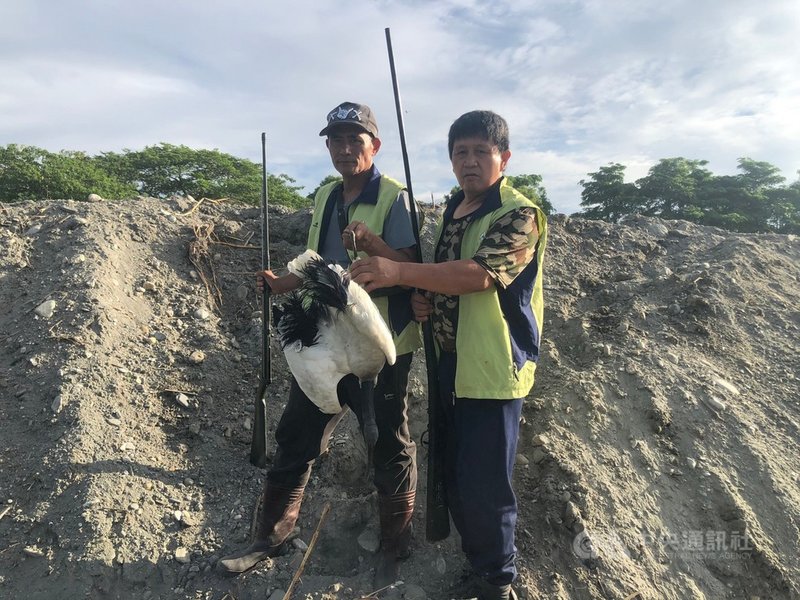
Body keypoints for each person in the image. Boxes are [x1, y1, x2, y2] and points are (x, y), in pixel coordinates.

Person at [218, 101, 421, 587]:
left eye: (357, 139)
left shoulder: (396, 197)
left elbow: (410, 268)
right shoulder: (327, 195)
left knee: (389, 439)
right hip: (324, 342)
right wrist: (281, 283)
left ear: (375, 145)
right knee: (297, 434)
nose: (346, 148)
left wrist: (372, 244)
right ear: (328, 146)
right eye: (337, 140)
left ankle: (395, 543)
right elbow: (319, 267)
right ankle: (271, 536)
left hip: (381, 342)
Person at [350, 110, 548, 600]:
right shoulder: (450, 214)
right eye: (461, 152)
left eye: (482, 151)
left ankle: (497, 582)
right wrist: (421, 295)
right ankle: (479, 567)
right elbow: (437, 276)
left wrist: (402, 277)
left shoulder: (518, 215)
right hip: (449, 367)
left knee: (486, 483)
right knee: (456, 474)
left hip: (492, 369)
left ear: (504, 157)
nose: (470, 161)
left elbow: (477, 276)